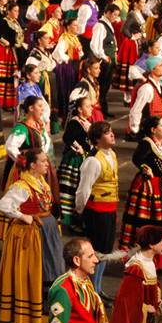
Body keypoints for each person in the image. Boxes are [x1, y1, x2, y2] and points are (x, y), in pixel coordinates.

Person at [0, 149, 62, 323]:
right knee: (31, 277)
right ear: (33, 165)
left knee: (48, 275)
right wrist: (23, 216)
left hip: (46, 232)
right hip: (31, 236)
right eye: (43, 161)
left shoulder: (41, 182)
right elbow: (3, 205)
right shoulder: (22, 186)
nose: (47, 164)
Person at [118, 116, 162, 271]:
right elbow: (137, 159)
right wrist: (145, 168)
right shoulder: (146, 143)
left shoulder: (161, 144)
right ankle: (145, 258)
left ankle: (159, 260)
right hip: (151, 188)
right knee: (149, 222)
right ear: (153, 130)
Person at [75, 121, 119, 294]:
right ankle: (92, 289)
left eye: (111, 131)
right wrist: (80, 211)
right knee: (96, 252)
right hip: (97, 211)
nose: (112, 135)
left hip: (110, 209)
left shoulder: (112, 154)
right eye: (107, 133)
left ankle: (98, 288)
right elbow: (83, 189)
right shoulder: (93, 161)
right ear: (97, 139)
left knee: (106, 251)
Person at [57, 97, 94, 233]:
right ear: (79, 109)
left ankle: (81, 220)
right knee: (73, 189)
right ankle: (71, 221)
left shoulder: (86, 123)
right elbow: (67, 137)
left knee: (83, 189)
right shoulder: (75, 122)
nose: (91, 109)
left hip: (84, 159)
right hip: (74, 161)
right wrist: (78, 147)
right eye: (88, 106)